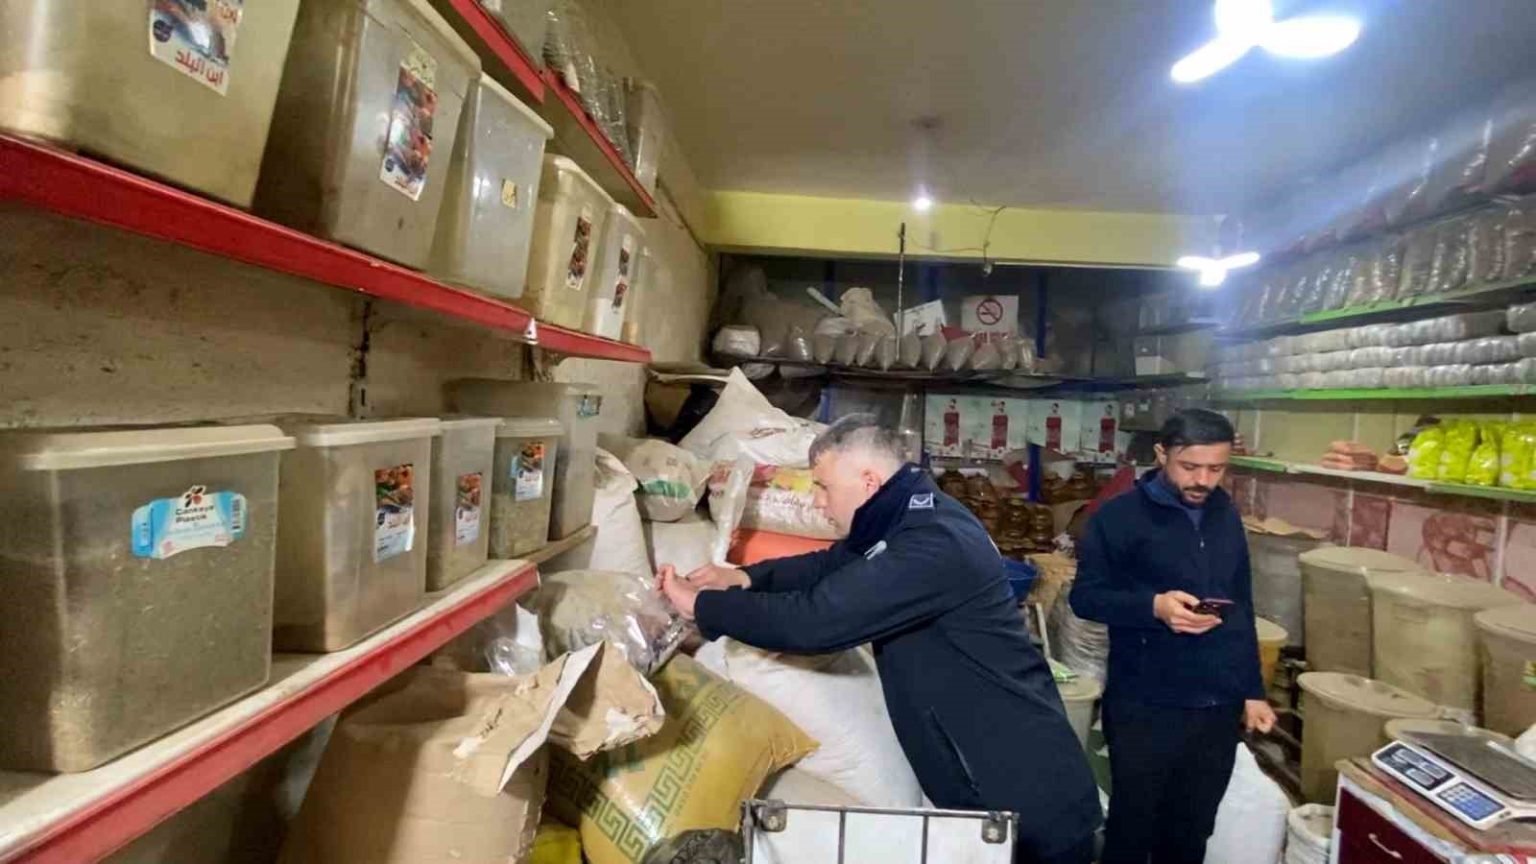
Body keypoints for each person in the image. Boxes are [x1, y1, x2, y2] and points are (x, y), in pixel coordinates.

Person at [657, 415, 1102, 864]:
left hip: (1024, 799)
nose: (817, 501)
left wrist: (702, 607)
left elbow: (816, 621)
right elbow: (831, 564)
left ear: (868, 481)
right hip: (988, 782)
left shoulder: (933, 545)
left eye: (824, 487)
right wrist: (744, 577)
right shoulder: (905, 515)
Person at [1069, 409, 1276, 864]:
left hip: (1216, 705)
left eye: (1216, 469)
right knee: (1133, 825)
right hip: (1146, 702)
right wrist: (1154, 607)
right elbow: (1086, 598)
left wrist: (1252, 690)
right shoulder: (1118, 517)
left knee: (1192, 827)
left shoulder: (1224, 514)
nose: (1203, 480)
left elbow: (1241, 604)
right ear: (1162, 454)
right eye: (1190, 466)